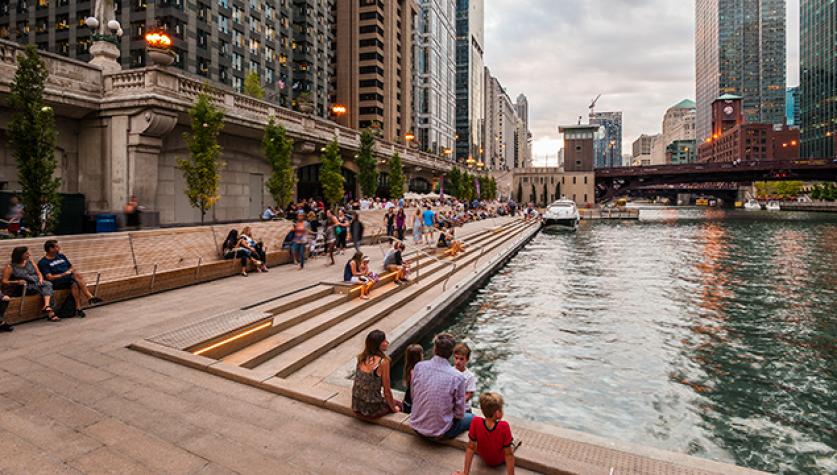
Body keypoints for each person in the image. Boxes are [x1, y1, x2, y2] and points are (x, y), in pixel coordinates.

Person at [410, 333, 471, 439]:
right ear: (451, 353)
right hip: (440, 432)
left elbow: (414, 395)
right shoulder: (458, 377)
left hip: (416, 426)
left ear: (435, 349)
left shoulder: (419, 367)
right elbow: (459, 414)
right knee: (472, 417)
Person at [454, 392, 517, 475]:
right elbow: (508, 455)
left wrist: (465, 473)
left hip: (484, 457)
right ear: (498, 413)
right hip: (499, 460)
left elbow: (470, 448)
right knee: (512, 442)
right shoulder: (504, 426)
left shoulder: (475, 422)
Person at [37, 240, 103, 318]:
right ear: (51, 249)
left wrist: (69, 271)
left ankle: (78, 308)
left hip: (68, 279)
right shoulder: (43, 262)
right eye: (57, 247)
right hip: (57, 282)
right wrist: (63, 274)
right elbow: (49, 277)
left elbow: (71, 267)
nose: (59, 248)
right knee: (77, 276)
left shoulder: (61, 256)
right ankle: (90, 297)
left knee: (75, 283)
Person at [351, 330, 401, 418]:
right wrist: (394, 409)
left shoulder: (361, 357)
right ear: (378, 345)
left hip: (357, 404)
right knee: (398, 404)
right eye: (384, 341)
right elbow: (387, 391)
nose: (387, 342)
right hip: (371, 409)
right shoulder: (383, 362)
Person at [2, 247, 58, 321]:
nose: (29, 255)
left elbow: (39, 273)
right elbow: (4, 281)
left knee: (47, 286)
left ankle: (47, 306)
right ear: (20, 255)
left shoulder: (30, 261)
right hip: (24, 287)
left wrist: (41, 279)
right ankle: (49, 311)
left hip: (37, 283)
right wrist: (17, 282)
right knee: (48, 287)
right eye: (26, 253)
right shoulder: (10, 267)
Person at [401, 344, 423, 414]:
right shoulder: (418, 371)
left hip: (407, 400)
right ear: (420, 355)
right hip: (413, 403)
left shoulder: (408, 368)